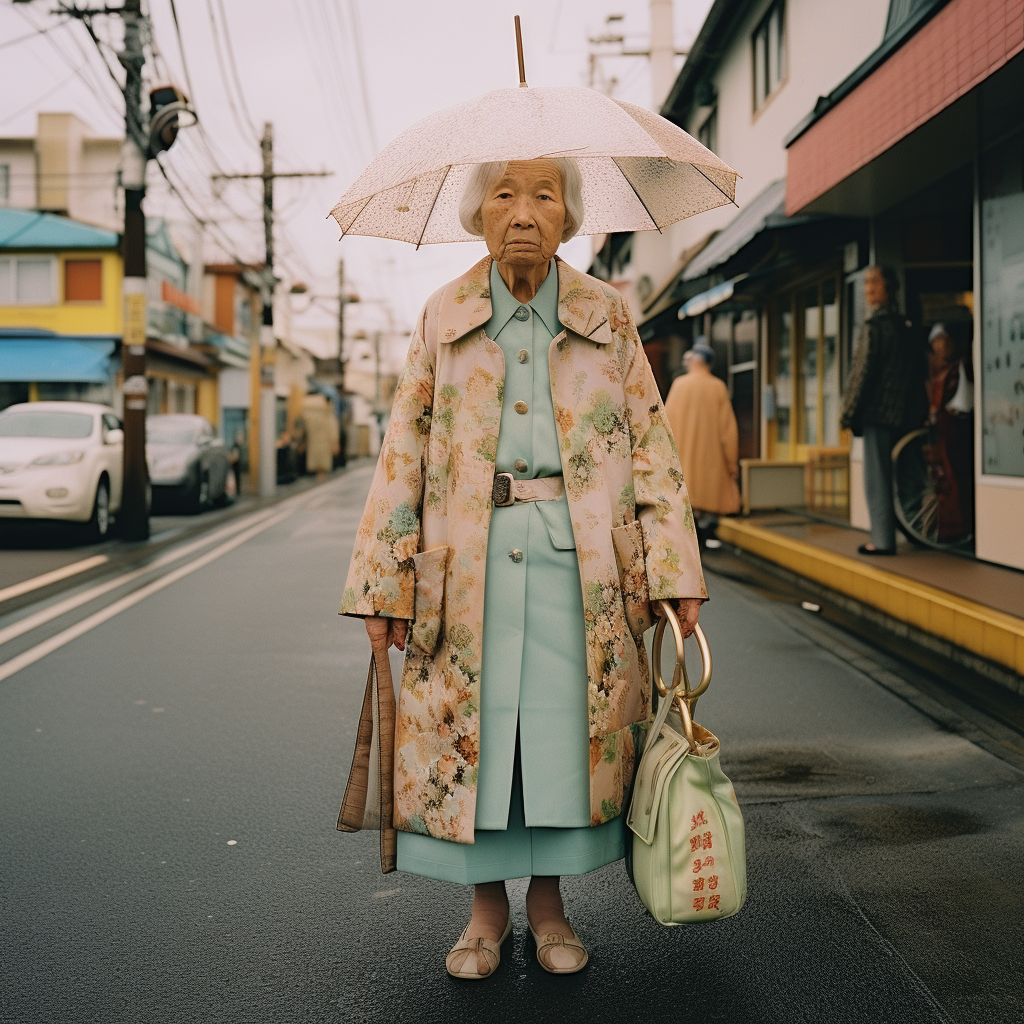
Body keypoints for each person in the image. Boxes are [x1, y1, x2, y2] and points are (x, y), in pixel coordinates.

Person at [340, 158, 706, 979]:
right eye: (504, 194)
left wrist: (675, 570)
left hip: (583, 571)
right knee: (481, 740)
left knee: (556, 740)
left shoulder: (607, 315)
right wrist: (382, 586)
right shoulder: (444, 315)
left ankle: (549, 907)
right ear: (478, 214)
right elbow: (401, 451)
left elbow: (651, 445)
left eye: (545, 195)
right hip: (468, 571)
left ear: (569, 214)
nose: (524, 213)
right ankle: (484, 912)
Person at [840, 266, 914, 555]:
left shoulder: (874, 327)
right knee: (900, 474)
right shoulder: (901, 324)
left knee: (876, 478)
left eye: (874, 282)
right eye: (866, 282)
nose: (868, 288)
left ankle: (882, 541)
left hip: (876, 413)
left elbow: (862, 375)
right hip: (900, 412)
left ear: (888, 288)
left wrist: (848, 412)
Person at [663, 338, 740, 543]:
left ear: (693, 361)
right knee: (709, 506)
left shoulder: (679, 385)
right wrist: (732, 464)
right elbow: (728, 431)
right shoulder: (718, 387)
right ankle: (708, 537)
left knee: (687, 511)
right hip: (712, 463)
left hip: (683, 460)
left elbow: (665, 425)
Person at [925, 320, 974, 541]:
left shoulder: (959, 366)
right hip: (945, 427)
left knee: (956, 476)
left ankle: (960, 526)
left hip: (955, 427)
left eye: (942, 341)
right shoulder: (939, 369)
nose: (939, 346)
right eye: (935, 342)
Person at [301, 389, 339, 483]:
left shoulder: (305, 408)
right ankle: (321, 474)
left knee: (313, 453)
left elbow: (302, 426)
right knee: (323, 455)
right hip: (324, 438)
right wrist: (334, 441)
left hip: (312, 438)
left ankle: (317, 472)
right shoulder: (326, 408)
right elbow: (332, 425)